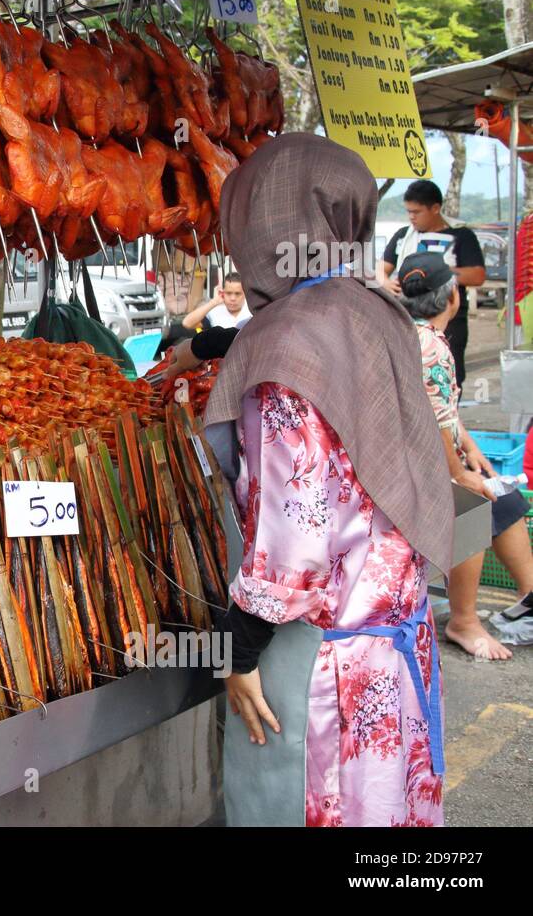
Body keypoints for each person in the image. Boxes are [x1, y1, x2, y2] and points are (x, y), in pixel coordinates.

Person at [207, 134, 453, 827]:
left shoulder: (282, 346)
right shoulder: (380, 313)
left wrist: (240, 648)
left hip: (325, 662)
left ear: (262, 226)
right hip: (399, 643)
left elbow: (296, 535)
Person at [399, 251, 533, 660]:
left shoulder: (414, 334)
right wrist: (459, 474)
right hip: (415, 469)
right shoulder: (431, 347)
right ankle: (464, 621)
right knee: (474, 504)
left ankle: (530, 596)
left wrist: (471, 450)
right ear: (453, 297)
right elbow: (435, 424)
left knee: (506, 498)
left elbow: (446, 414)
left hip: (420, 458)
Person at [377, 180, 485, 391]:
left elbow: (477, 275)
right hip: (405, 317)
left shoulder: (461, 236)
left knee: (447, 376)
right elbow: (381, 268)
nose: (411, 217)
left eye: (416, 212)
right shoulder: (403, 235)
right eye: (408, 211)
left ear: (435, 208)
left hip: (448, 319)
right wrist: (385, 283)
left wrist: (435, 273)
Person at [181, 274, 251, 331]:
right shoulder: (214, 313)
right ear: (222, 292)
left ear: (245, 293)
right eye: (228, 293)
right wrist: (214, 302)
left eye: (237, 293)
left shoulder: (252, 311)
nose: (233, 298)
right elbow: (187, 323)